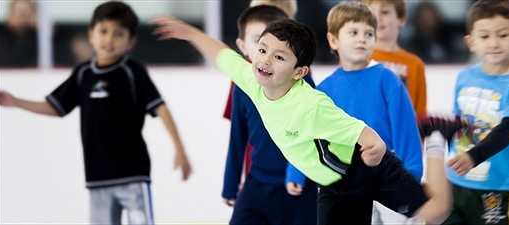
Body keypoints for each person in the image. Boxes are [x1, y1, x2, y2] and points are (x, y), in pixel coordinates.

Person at [151, 14, 451, 224]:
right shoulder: (253, 79)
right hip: (336, 187)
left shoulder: (311, 106)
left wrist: (375, 161)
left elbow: (372, 140)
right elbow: (222, 54)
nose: (265, 60)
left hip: (366, 168)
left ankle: (436, 138)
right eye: (263, 50)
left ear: (299, 73)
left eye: (279, 57)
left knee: (437, 210)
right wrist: (189, 32)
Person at [0, 2, 192, 224]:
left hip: (133, 174)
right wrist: (16, 102)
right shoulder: (83, 74)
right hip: (98, 176)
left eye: (118, 34)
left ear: (131, 41)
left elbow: (160, 107)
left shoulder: (132, 71)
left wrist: (180, 149)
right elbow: (55, 106)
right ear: (91, 34)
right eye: (104, 31)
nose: (109, 40)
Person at [315, 2, 423, 224]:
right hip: (344, 181)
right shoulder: (324, 89)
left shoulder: (388, 80)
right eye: (353, 32)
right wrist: (296, 174)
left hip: (386, 176)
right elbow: (314, 139)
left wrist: (411, 172)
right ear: (333, 40)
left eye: (369, 33)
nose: (362, 38)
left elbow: (406, 128)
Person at [221, 5, 317, 225]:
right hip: (257, 183)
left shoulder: (303, 83)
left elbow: (312, 134)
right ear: (242, 46)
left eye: (279, 49)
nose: (267, 57)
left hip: (298, 187)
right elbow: (237, 137)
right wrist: (230, 184)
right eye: (260, 45)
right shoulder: (240, 86)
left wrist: (299, 175)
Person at [441, 0, 509, 224]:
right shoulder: (464, 77)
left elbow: (508, 128)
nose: (493, 43)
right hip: (456, 183)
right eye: (484, 36)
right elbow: (459, 124)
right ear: (471, 42)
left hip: (495, 187)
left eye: (502, 35)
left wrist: (474, 156)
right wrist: (433, 129)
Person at [361, 0, 426, 118]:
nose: (377, 18)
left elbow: (420, 115)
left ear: (401, 19)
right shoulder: (355, 58)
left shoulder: (415, 64)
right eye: (370, 13)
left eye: (384, 12)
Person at [0, 0, 38, 68]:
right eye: (17, 12)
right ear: (10, 13)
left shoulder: (36, 37)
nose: (20, 17)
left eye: (24, 13)